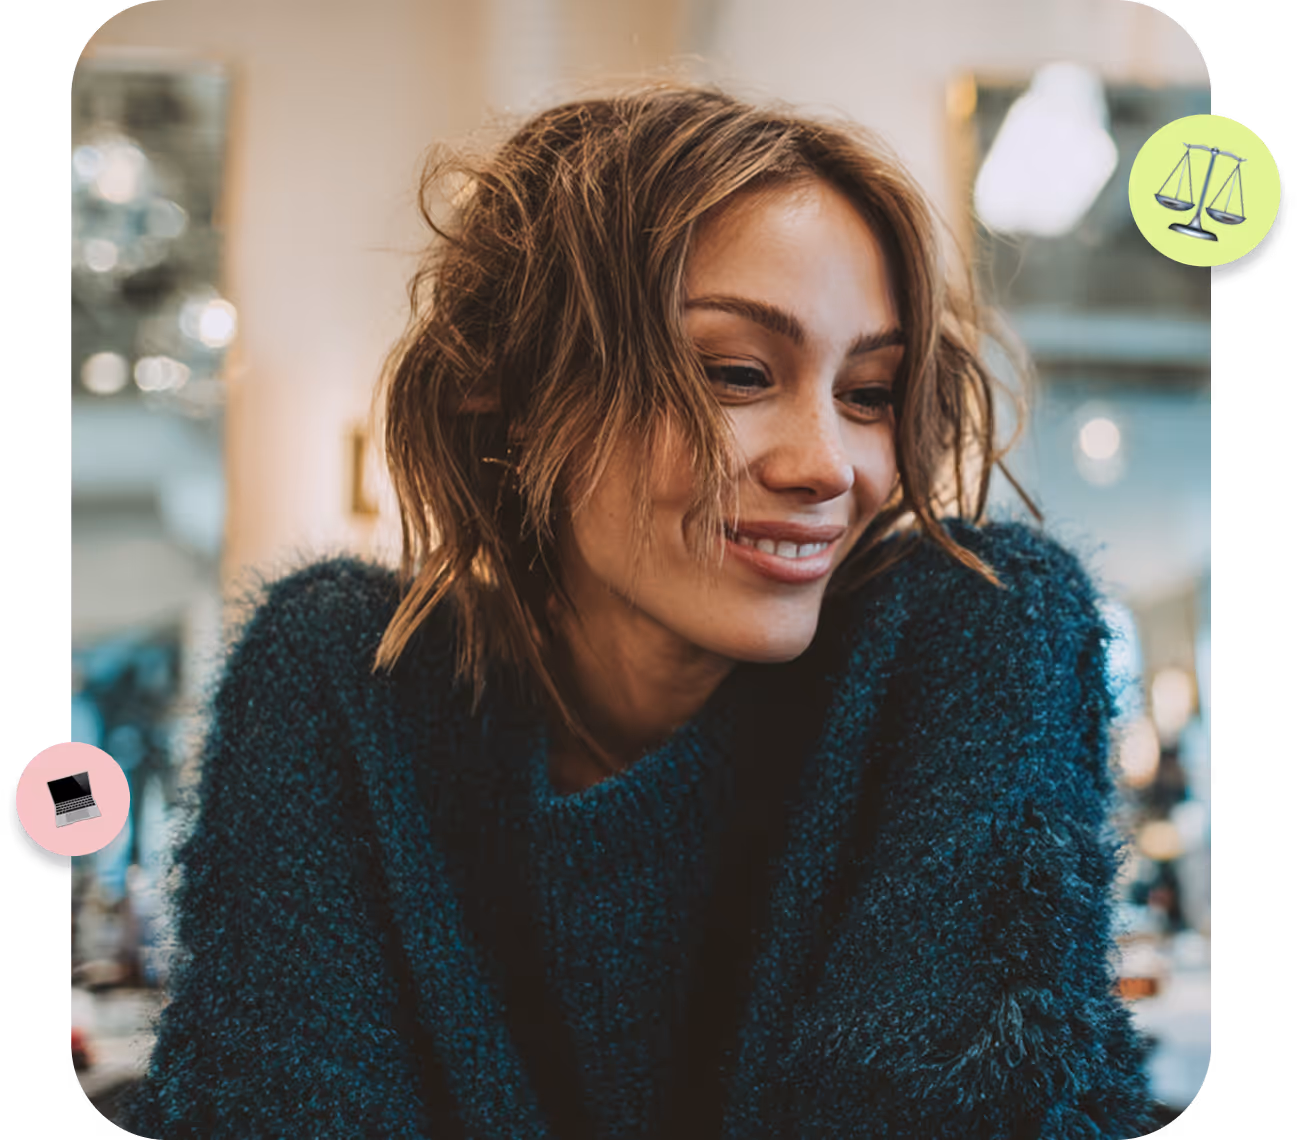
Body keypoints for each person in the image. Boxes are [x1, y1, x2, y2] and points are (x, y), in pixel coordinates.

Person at [120, 83, 1159, 1138]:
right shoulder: (342, 678)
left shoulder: (973, 634)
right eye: (735, 373)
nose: (827, 466)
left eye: (869, 394)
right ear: (519, 400)